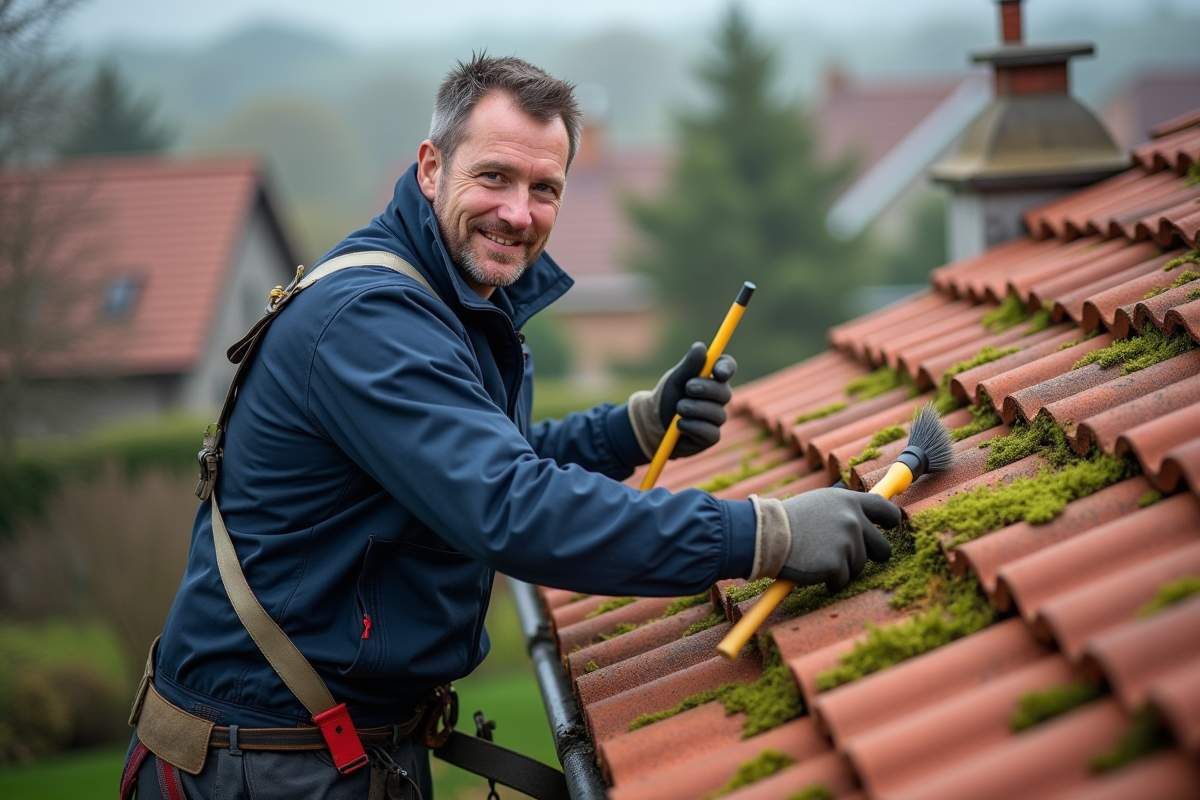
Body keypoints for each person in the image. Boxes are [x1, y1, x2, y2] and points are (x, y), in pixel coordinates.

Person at [121, 55, 899, 800]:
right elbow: (510, 506)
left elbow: (492, 459)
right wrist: (766, 535)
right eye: (493, 176)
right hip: (258, 764)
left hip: (333, 745)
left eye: (544, 188)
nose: (519, 212)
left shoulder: (450, 298)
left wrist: (637, 426)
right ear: (431, 168)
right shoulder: (372, 321)